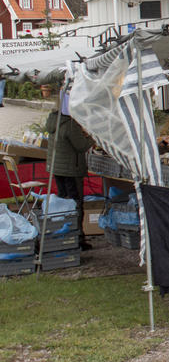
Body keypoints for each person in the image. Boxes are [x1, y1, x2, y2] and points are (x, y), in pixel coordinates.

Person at [45, 99, 93, 250]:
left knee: (64, 203)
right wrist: (93, 137)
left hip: (57, 168)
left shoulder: (54, 120)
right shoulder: (70, 124)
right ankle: (77, 238)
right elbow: (81, 146)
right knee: (75, 204)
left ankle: (65, 236)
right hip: (71, 169)